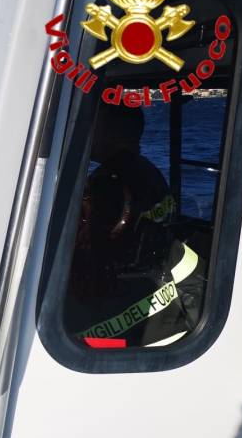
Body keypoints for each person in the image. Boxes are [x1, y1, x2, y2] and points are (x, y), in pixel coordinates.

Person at [65, 103, 204, 348]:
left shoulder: (108, 184)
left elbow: (92, 247)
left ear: (113, 134)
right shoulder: (149, 172)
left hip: (127, 305)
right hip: (162, 294)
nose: (90, 133)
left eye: (95, 127)